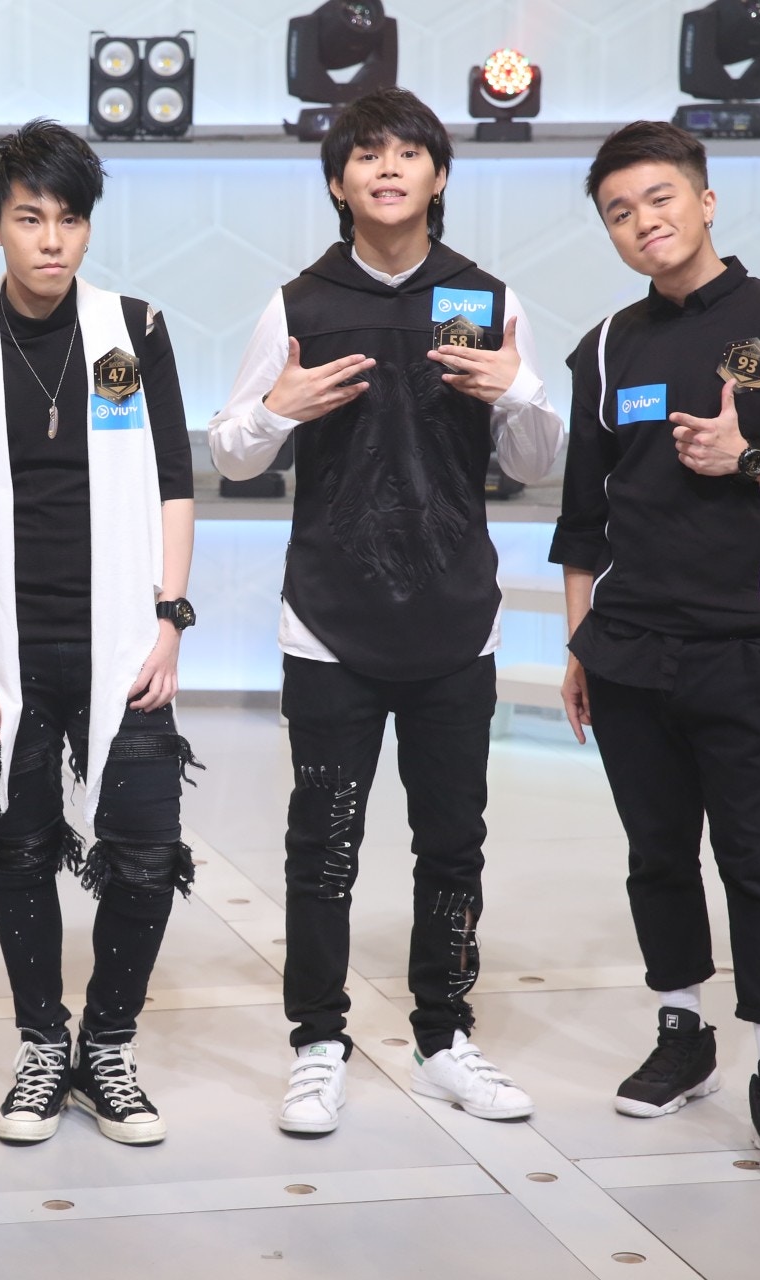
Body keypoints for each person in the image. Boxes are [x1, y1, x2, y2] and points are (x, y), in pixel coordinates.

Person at [208, 87, 564, 1135]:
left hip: (457, 621)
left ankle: (445, 1036)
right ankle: (317, 1042)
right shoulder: (299, 305)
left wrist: (513, 390)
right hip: (328, 625)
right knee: (323, 846)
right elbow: (232, 452)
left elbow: (539, 460)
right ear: (338, 183)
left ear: (440, 176)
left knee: (453, 843)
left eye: (410, 152)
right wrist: (275, 410)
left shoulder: (488, 297)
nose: (390, 168)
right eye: (367, 155)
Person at [552, 120, 760, 1183]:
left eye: (659, 198)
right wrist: (580, 644)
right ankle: (681, 1031)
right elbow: (583, 519)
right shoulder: (607, 347)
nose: (643, 222)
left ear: (704, 198)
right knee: (656, 855)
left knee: (754, 864)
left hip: (742, 652)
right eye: (619, 212)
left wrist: (748, 457)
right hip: (627, 652)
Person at [0, 120, 199, 1146]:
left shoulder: (135, 327)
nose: (51, 240)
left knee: (146, 849)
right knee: (22, 847)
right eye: (29, 218)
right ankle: (44, 1045)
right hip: (6, 645)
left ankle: (108, 1047)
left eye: (70, 219)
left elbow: (174, 481)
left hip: (125, 638)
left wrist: (170, 618)